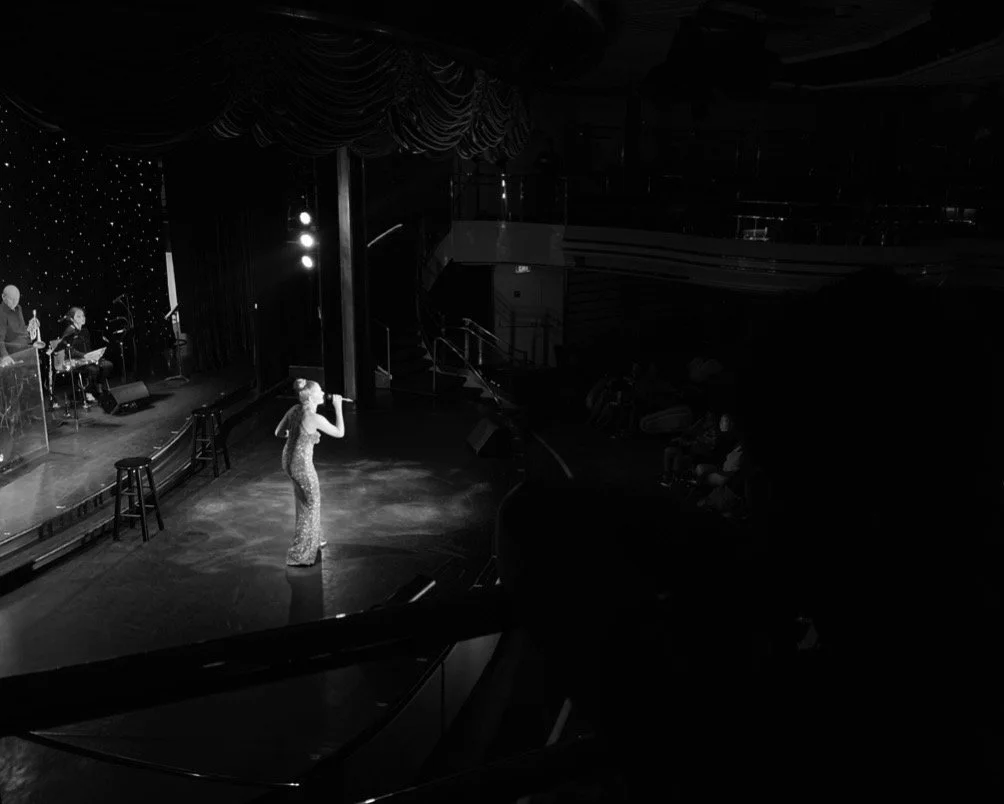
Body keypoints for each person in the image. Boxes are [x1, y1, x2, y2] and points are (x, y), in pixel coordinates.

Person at [274, 379, 345, 567]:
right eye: (320, 391)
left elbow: (278, 433)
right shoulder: (314, 418)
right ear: (312, 396)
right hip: (301, 467)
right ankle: (301, 553)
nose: (323, 394)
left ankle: (316, 538)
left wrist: (294, 435)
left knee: (303, 501)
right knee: (312, 503)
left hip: (287, 462)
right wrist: (338, 407)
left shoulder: (294, 410)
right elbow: (340, 432)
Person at [54, 307, 113, 402]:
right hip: (74, 360)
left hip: (87, 358)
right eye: (79, 316)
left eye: (83, 316)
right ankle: (88, 392)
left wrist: (95, 355)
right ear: (72, 319)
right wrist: (83, 356)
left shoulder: (85, 331)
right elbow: (69, 350)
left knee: (107, 365)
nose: (83, 318)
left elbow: (88, 348)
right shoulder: (70, 331)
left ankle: (98, 385)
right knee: (93, 369)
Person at [0, 285, 44, 368]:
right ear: (3, 297)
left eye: (17, 299)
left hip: (25, 353)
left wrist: (30, 328)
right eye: (11, 299)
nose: (14, 302)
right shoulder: (1, 313)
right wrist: (5, 356)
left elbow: (21, 331)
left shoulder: (18, 308)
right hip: (13, 358)